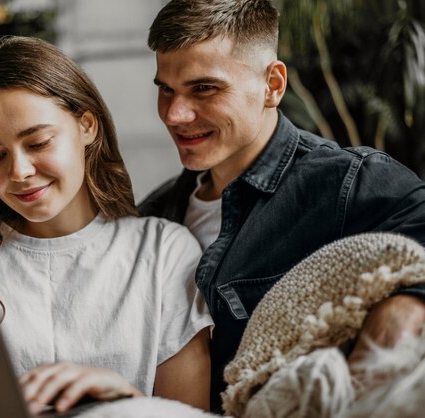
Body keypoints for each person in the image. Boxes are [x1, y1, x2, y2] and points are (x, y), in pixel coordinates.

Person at [139, 0, 425, 412]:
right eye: (166, 88)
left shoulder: (348, 183)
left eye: (204, 88)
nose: (174, 114)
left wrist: (382, 346)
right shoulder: (153, 215)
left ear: (272, 85)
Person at [0, 35, 214, 415]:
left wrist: (125, 401)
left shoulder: (163, 253)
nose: (19, 172)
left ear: (87, 126)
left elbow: (189, 415)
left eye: (38, 143)